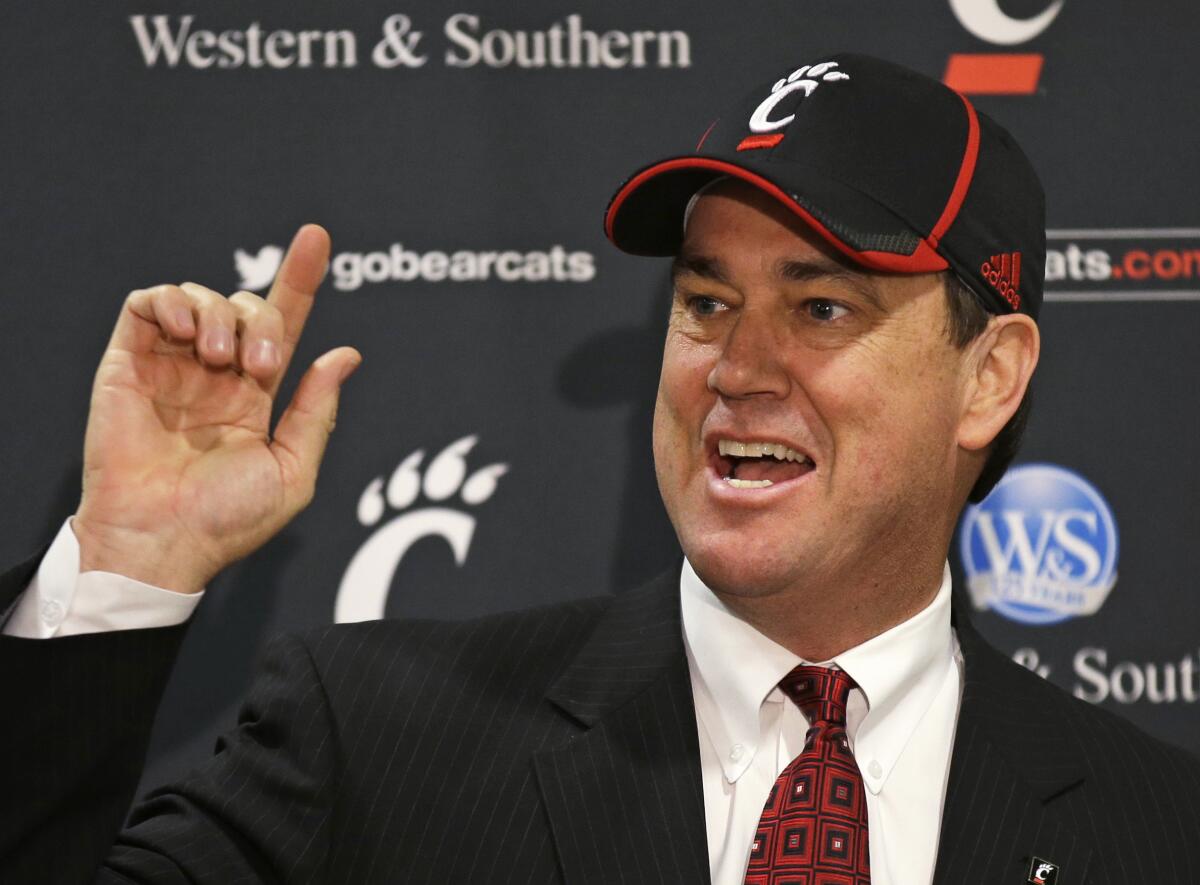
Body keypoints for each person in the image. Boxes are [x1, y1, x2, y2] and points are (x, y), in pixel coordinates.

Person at [2, 52, 1198, 885]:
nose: (736, 366)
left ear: (988, 377)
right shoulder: (371, 740)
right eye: (706, 299)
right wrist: (124, 567)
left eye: (822, 307)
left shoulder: (1159, 832)